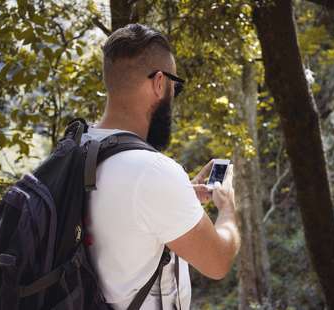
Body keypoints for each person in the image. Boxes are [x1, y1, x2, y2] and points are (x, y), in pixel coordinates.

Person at [81, 23, 241, 309]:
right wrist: (227, 206)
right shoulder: (151, 171)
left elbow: (122, 217)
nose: (173, 96)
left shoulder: (79, 147)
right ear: (158, 82)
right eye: (174, 87)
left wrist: (181, 195)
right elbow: (219, 261)